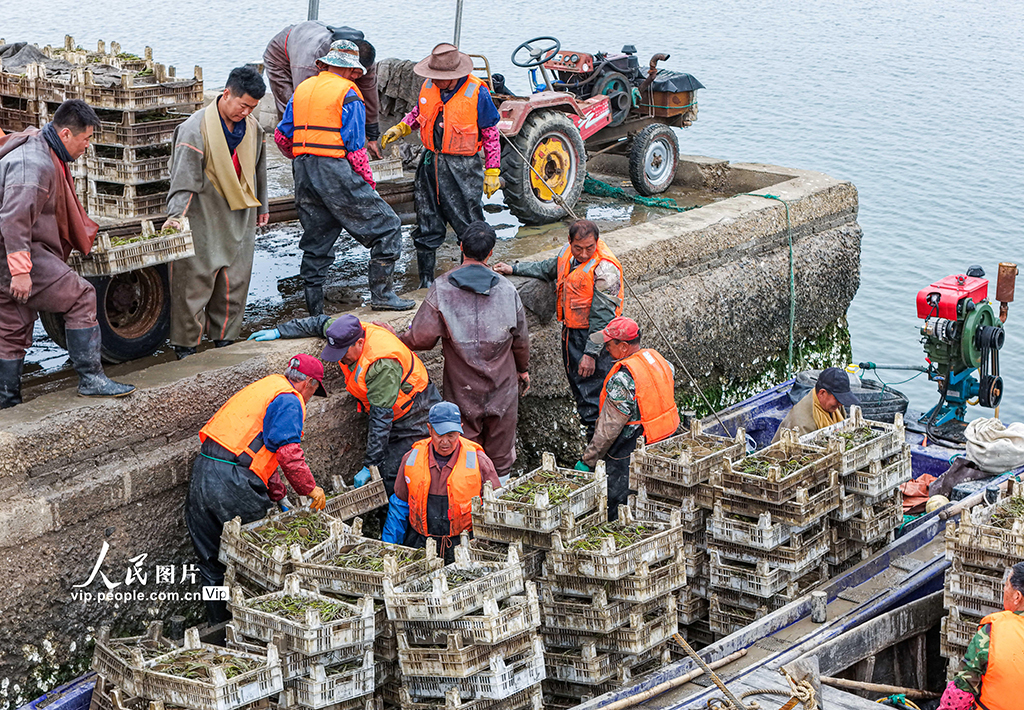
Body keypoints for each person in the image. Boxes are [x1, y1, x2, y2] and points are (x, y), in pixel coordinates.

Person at [0, 99, 135, 407]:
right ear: (64, 134)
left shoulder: (39, 142)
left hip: (11, 247)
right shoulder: (33, 166)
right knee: (81, 296)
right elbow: (13, 219)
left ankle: (6, 401)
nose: (87, 145)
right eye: (85, 139)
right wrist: (20, 271)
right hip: (11, 250)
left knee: (11, 324)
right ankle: (91, 379)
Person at [185, 354, 328, 624]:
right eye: (313, 391)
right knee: (259, 560)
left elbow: (256, 451)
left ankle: (219, 624)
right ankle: (256, 623)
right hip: (233, 483)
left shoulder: (266, 387)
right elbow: (288, 452)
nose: (310, 397)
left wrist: (279, 495)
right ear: (308, 383)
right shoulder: (289, 400)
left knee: (212, 562)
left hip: (203, 472)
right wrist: (310, 489)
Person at [275, 40, 413, 315]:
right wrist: (368, 185)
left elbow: (281, 136)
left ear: (326, 65)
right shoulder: (349, 94)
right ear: (351, 70)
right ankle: (383, 295)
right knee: (387, 226)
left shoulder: (303, 89)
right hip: (334, 169)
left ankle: (315, 311)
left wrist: (304, 157)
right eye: (355, 72)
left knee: (317, 238)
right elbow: (355, 149)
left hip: (303, 169)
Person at [249, 314, 441, 497]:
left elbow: (381, 419)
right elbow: (318, 322)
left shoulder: (382, 364)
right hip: (389, 407)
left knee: (395, 473)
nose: (339, 358)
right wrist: (280, 331)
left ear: (359, 343)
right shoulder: (343, 332)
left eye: (342, 353)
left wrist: (370, 466)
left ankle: (404, 513)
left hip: (416, 412)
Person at [397, 222, 530, 482]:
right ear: (490, 253)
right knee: (501, 451)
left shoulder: (442, 288)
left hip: (462, 388)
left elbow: (421, 338)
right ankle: (498, 495)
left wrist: (396, 336)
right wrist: (523, 370)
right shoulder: (507, 290)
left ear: (461, 247)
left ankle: (467, 495)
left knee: (464, 446)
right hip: (502, 386)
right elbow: (521, 340)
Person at [164, 66, 269, 360]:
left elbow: (258, 170)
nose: (246, 112)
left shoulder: (253, 129)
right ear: (226, 94)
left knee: (234, 281)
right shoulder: (193, 129)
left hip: (240, 213)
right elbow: (183, 180)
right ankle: (186, 347)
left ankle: (225, 340)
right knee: (193, 281)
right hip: (203, 212)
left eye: (252, 108)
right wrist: (176, 217)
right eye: (243, 105)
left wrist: (263, 205)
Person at [378, 43, 501, 288]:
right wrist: (402, 127)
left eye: (439, 77)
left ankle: (472, 279)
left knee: (469, 223)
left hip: (463, 167)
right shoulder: (429, 86)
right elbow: (419, 112)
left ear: (454, 75)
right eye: (432, 76)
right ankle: (425, 281)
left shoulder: (478, 92)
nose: (434, 80)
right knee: (427, 221)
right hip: (430, 163)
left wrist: (492, 170)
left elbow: (490, 133)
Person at [494, 220, 624, 439]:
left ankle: (598, 445)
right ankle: (593, 440)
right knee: (580, 388)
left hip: (594, 338)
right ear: (570, 242)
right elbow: (547, 268)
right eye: (578, 248)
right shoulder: (567, 255)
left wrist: (590, 354)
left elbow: (603, 318)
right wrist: (514, 268)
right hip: (572, 333)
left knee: (593, 393)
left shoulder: (605, 269)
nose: (584, 254)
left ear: (597, 242)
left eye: (589, 248)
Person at [576, 317, 679, 519]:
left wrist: (588, 460)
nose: (606, 349)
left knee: (618, 505)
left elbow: (608, 430)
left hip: (631, 452)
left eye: (609, 344)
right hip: (665, 442)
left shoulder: (623, 380)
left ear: (623, 346)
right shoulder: (661, 362)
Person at [383, 401, 501, 561]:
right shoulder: (411, 459)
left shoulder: (479, 461)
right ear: (429, 429)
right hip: (421, 544)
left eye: (451, 435)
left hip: (464, 545)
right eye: (439, 435)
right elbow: (399, 507)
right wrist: (388, 548)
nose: (445, 442)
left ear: (460, 430)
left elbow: (496, 508)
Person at [263, 22, 382, 156]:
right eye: (353, 73)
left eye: (359, 75)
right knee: (294, 109)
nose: (355, 77)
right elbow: (305, 102)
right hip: (282, 53)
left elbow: (369, 94)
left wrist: (373, 136)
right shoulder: (312, 63)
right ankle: (301, 155)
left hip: (311, 36)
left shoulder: (365, 59)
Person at [938, 562, 1024, 710]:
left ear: (1017, 596)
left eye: (1006, 585)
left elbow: (962, 689)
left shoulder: (994, 631)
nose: (1004, 590)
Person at [772, 366, 859, 441]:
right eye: (838, 399)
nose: (840, 404)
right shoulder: (801, 423)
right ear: (822, 393)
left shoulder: (835, 406)